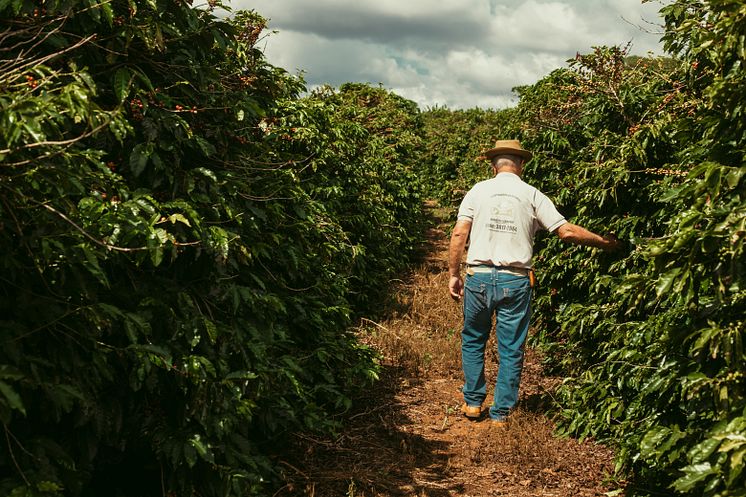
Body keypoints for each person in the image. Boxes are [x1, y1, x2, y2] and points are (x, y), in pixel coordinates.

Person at [448, 139, 619, 425]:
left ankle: (473, 403)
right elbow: (566, 232)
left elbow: (458, 234)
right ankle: (501, 413)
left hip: (477, 276)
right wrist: (605, 243)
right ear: (522, 164)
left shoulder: (478, 191)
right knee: (511, 346)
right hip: (515, 280)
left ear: (494, 165)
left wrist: (454, 273)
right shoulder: (532, 194)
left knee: (474, 340)